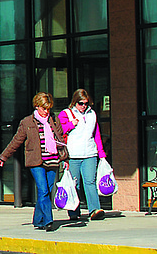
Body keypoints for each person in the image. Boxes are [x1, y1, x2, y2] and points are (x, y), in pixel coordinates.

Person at [0, 92, 66, 232]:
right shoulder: (27, 122)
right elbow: (16, 141)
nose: (46, 112)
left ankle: (38, 220)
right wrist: (4, 156)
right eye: (44, 108)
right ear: (37, 106)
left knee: (46, 191)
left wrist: (65, 158)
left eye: (48, 109)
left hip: (52, 160)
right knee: (43, 190)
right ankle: (48, 221)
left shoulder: (53, 120)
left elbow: (61, 140)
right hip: (36, 161)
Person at [59, 88, 107, 221]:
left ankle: (94, 210)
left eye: (86, 103)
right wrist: (70, 124)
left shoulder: (92, 114)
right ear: (75, 102)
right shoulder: (66, 114)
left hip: (90, 153)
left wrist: (101, 153)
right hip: (73, 154)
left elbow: (96, 134)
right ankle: (74, 211)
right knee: (75, 184)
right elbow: (58, 130)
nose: (83, 106)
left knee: (90, 181)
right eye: (81, 103)